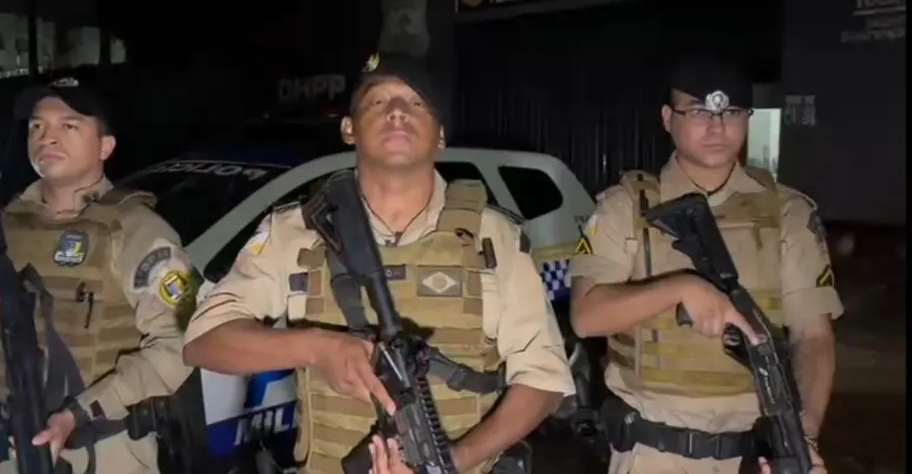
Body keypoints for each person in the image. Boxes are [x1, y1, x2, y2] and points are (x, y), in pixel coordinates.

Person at [182, 54, 575, 474]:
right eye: (378, 101)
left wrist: (447, 464)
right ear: (348, 128)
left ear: (441, 135)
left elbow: (544, 382)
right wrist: (317, 348)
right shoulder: (295, 232)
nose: (397, 111)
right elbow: (203, 342)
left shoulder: (493, 237)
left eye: (416, 102)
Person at [568, 56, 842, 474]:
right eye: (698, 112)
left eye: (730, 112)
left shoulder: (786, 212)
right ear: (667, 118)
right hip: (652, 452)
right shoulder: (625, 206)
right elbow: (587, 318)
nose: (717, 128)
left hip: (757, 451)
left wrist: (800, 440)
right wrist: (679, 289)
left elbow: (813, 337)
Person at [0, 78, 199, 474]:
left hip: (101, 449)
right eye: (37, 126)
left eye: (68, 125)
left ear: (105, 146)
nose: (47, 137)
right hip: (8, 447)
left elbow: (184, 343)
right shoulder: (5, 224)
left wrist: (79, 412)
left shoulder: (140, 231)